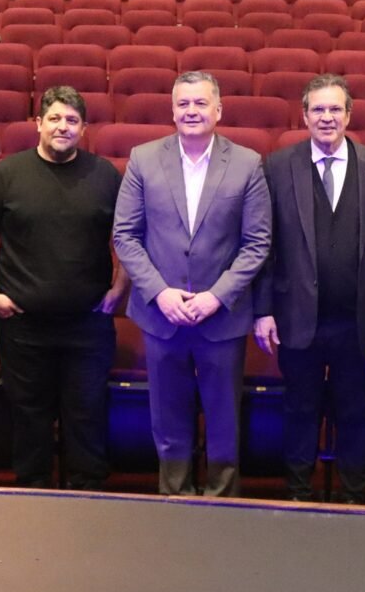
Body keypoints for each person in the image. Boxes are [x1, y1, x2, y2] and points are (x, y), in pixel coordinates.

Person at [113, 71, 271, 497]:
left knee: (224, 421)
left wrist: (216, 297)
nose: (191, 111)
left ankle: (223, 503)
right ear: (172, 110)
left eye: (201, 103)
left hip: (220, 319)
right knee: (167, 419)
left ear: (218, 110)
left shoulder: (247, 163)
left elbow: (257, 243)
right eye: (183, 104)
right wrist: (160, 292)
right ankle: (174, 501)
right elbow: (125, 235)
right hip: (160, 315)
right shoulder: (143, 159)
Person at [0, 86, 126, 490]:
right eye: (54, 118)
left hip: (88, 323)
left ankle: (88, 496)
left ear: (84, 128)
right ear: (37, 124)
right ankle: (33, 494)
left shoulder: (105, 175)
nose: (63, 127)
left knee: (87, 412)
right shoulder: (6, 174)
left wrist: (119, 288)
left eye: (72, 120)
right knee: (29, 413)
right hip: (22, 324)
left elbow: (128, 237)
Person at [254, 75, 365, 504]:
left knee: (355, 410)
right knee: (300, 409)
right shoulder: (278, 167)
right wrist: (262, 310)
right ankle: (298, 493)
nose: (327, 117)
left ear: (349, 115)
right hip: (298, 317)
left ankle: (353, 495)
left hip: (356, 319)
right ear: (305, 115)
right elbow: (264, 243)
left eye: (335, 109)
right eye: (319, 109)